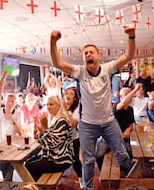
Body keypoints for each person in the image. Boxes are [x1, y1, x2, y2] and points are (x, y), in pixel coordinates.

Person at [50, 24, 136, 190]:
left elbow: (128, 56)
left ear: (99, 55)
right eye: (85, 53)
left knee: (122, 154)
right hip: (88, 125)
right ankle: (88, 188)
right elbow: (57, 62)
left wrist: (131, 36)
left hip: (109, 122)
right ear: (84, 58)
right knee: (88, 160)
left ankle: (132, 181)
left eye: (91, 52)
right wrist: (53, 42)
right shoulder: (80, 72)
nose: (88, 55)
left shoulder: (107, 69)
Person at [25, 95, 73, 181]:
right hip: (52, 156)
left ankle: (40, 187)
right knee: (27, 163)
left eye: (51, 104)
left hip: (60, 160)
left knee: (29, 167)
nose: (48, 107)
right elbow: (44, 141)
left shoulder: (62, 121)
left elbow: (51, 144)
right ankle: (39, 186)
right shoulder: (53, 119)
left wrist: (43, 129)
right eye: (47, 105)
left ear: (59, 106)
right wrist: (41, 129)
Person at [96, 83, 142, 170]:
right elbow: (124, 102)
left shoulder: (130, 109)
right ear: (120, 97)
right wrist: (135, 90)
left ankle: (127, 174)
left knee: (131, 153)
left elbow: (131, 124)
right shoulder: (116, 107)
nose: (129, 96)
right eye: (126, 95)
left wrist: (128, 129)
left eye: (130, 95)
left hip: (123, 139)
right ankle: (103, 174)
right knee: (98, 155)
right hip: (108, 138)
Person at [61, 86, 84, 189]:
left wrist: (65, 111)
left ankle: (82, 180)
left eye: (71, 94)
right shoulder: (60, 106)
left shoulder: (77, 108)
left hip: (74, 138)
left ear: (75, 98)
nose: (68, 96)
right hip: (61, 139)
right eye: (67, 93)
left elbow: (73, 124)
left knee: (75, 160)